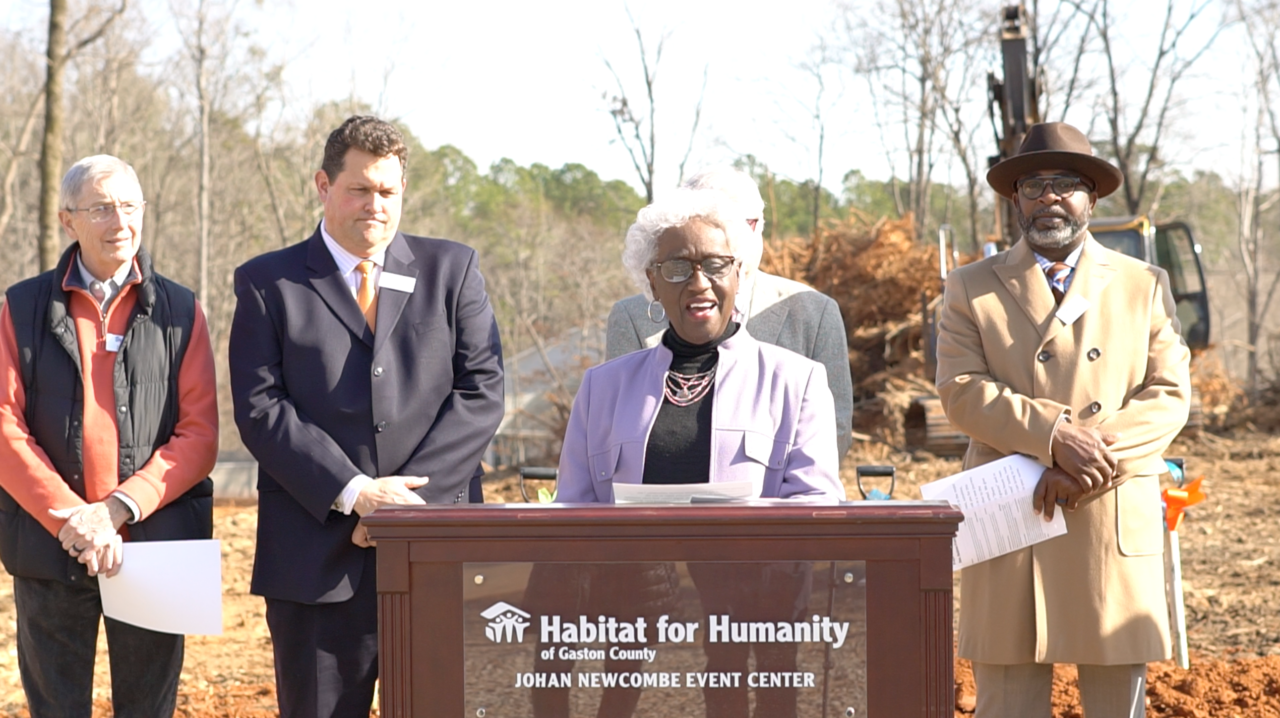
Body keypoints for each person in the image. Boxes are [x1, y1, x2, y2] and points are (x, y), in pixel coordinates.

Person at [229, 115, 505, 718]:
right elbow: (259, 408)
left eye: (388, 191)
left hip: (440, 555)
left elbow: (482, 390)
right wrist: (356, 494)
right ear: (323, 186)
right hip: (317, 559)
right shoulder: (265, 284)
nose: (374, 205)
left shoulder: (451, 271)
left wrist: (404, 510)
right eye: (359, 189)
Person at [548, 188, 844, 717]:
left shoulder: (795, 381)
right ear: (652, 283)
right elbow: (571, 511)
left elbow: (818, 505)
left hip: (758, 606)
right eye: (678, 267)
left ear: (740, 276)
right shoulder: (602, 387)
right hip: (634, 613)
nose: (700, 282)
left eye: (715, 264)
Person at [935, 122, 1191, 718]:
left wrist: (1084, 466)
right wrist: (1053, 437)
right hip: (1012, 511)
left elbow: (1169, 395)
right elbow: (961, 391)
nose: (1049, 197)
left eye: (1066, 184)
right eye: (1033, 185)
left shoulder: (1143, 285)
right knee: (1008, 702)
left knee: (1114, 703)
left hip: (1107, 513)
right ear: (1015, 199)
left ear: (1091, 197)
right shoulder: (970, 287)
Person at [0, 154, 219, 717]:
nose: (119, 221)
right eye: (101, 208)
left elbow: (198, 436)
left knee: (149, 709)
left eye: (129, 206)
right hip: (53, 547)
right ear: (67, 220)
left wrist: (117, 509)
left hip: (157, 545)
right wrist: (72, 518)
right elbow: (4, 426)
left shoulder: (181, 310)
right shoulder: (20, 307)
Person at [605, 167, 855, 459]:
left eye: (742, 223)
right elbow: (612, 435)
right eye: (712, 224)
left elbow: (834, 432)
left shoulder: (814, 311)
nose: (729, 238)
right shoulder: (631, 318)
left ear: (760, 226)